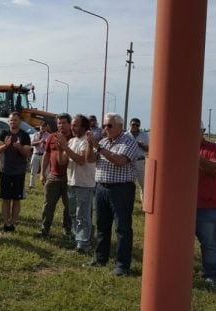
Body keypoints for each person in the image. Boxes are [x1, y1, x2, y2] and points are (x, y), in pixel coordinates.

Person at [86, 113, 138, 276]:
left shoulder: (128, 141)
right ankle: (101, 258)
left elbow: (120, 160)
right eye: (104, 126)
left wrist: (99, 148)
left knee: (122, 228)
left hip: (121, 189)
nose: (105, 129)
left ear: (120, 127)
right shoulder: (103, 141)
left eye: (109, 126)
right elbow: (89, 159)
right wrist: (90, 144)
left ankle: (122, 265)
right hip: (101, 188)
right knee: (102, 225)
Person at [57, 114, 97, 252]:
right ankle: (78, 239)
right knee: (73, 213)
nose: (72, 128)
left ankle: (83, 244)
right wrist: (61, 148)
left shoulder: (87, 141)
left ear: (83, 127)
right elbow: (62, 161)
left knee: (82, 215)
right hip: (72, 182)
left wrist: (65, 147)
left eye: (75, 125)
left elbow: (81, 160)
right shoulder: (72, 141)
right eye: (72, 125)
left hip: (84, 184)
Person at [197, 121, 216, 287]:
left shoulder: (214, 149)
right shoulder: (178, 147)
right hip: (181, 207)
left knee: (209, 244)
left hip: (206, 207)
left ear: (203, 131)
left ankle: (212, 275)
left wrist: (197, 158)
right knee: (178, 243)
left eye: (197, 130)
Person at [0, 112, 32, 233]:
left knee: (16, 199)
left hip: (19, 172)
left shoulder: (25, 135)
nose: (13, 122)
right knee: (6, 199)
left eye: (15, 120)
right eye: (11, 121)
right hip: (5, 171)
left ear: (20, 122)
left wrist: (19, 147)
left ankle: (12, 224)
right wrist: (6, 145)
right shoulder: (3, 133)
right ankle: (6, 224)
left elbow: (27, 154)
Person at [38, 113, 73, 238]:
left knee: (69, 206)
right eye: (59, 123)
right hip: (53, 176)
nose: (61, 125)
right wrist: (42, 173)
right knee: (48, 204)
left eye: (64, 123)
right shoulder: (52, 137)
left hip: (70, 178)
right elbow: (46, 155)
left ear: (69, 124)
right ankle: (44, 229)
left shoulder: (74, 138)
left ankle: (67, 229)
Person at [128, 118, 150, 198]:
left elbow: (149, 149)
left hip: (140, 161)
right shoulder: (125, 135)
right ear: (130, 124)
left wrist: (142, 145)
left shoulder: (144, 135)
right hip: (128, 162)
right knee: (128, 184)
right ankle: (128, 201)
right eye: (133, 124)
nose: (135, 126)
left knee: (143, 184)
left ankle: (144, 203)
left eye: (137, 125)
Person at [29, 121, 50, 190]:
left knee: (46, 171)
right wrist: (39, 142)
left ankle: (45, 185)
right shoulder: (35, 134)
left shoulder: (49, 135)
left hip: (44, 155)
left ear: (46, 127)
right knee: (33, 170)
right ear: (40, 126)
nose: (43, 127)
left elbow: (50, 146)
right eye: (42, 126)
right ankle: (32, 186)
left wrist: (45, 143)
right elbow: (31, 143)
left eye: (44, 126)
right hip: (35, 154)